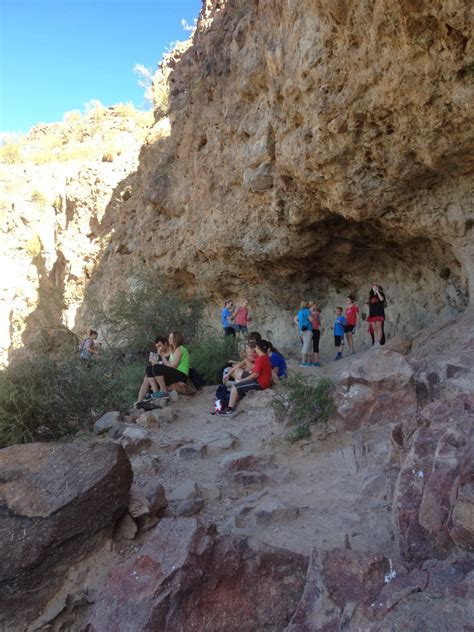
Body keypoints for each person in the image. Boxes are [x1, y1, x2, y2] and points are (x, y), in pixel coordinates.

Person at [218, 339, 273, 416]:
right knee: (238, 385)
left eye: (256, 347)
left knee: (235, 386)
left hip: (260, 384)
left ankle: (229, 410)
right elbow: (255, 372)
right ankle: (229, 405)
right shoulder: (264, 357)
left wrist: (243, 380)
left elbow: (255, 374)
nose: (255, 348)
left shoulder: (260, 359)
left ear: (258, 348)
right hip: (262, 382)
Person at [151, 332, 190, 399]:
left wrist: (161, 357)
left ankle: (164, 392)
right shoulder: (173, 351)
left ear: (176, 338)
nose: (169, 339)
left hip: (181, 375)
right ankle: (155, 392)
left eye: (171, 337)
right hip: (175, 373)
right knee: (149, 368)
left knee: (157, 367)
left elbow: (174, 366)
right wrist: (157, 361)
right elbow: (168, 365)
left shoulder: (180, 349)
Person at [136, 336, 169, 402]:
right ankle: (139, 401)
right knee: (147, 374)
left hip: (166, 375)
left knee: (147, 377)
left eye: (160, 346)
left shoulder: (171, 353)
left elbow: (170, 366)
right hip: (158, 376)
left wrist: (160, 359)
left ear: (165, 343)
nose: (159, 348)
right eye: (157, 347)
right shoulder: (157, 354)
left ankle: (154, 395)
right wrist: (153, 362)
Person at [293, 301, 313, 367]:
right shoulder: (307, 311)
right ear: (307, 305)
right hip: (308, 330)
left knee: (308, 345)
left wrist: (300, 324)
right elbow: (311, 320)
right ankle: (304, 362)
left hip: (302, 331)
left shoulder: (300, 312)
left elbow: (294, 319)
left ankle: (309, 361)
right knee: (306, 346)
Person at [309, 302, 321, 366]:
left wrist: (317, 316)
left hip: (316, 330)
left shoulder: (317, 313)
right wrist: (313, 314)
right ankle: (311, 360)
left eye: (316, 305)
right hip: (310, 329)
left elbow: (319, 323)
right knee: (310, 345)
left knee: (315, 345)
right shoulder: (308, 312)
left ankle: (316, 361)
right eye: (314, 305)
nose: (315, 307)